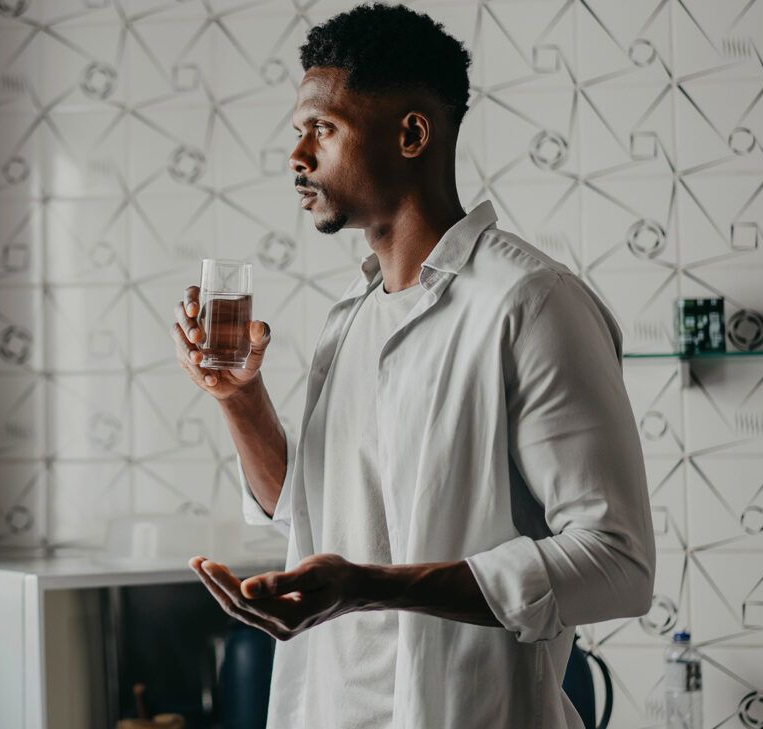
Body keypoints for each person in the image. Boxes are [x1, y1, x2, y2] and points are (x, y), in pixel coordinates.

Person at [173, 4, 654, 728]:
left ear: (411, 134)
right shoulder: (353, 315)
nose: (297, 156)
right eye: (299, 131)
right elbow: (314, 519)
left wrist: (368, 587)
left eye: (323, 129)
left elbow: (617, 563)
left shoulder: (529, 304)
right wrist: (241, 399)